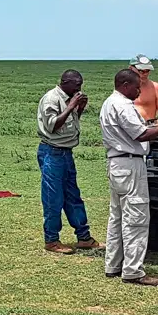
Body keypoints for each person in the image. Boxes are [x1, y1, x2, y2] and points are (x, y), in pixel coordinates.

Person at [99, 69, 158, 286]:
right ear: (125, 85)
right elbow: (141, 134)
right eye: (136, 87)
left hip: (117, 164)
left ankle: (113, 264)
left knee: (117, 216)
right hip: (130, 163)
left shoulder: (109, 103)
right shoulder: (123, 106)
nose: (139, 91)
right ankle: (133, 270)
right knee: (136, 218)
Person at [37, 70, 100, 254]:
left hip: (65, 152)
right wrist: (71, 106)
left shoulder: (68, 98)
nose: (79, 89)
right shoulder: (52, 99)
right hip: (52, 152)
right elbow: (53, 126)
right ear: (65, 82)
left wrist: (78, 109)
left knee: (73, 195)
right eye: (76, 85)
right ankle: (51, 240)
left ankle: (84, 237)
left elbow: (69, 125)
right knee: (53, 197)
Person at [130, 55, 158, 122]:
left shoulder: (156, 87)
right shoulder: (124, 88)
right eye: (141, 71)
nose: (145, 74)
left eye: (147, 71)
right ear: (131, 68)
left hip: (149, 128)